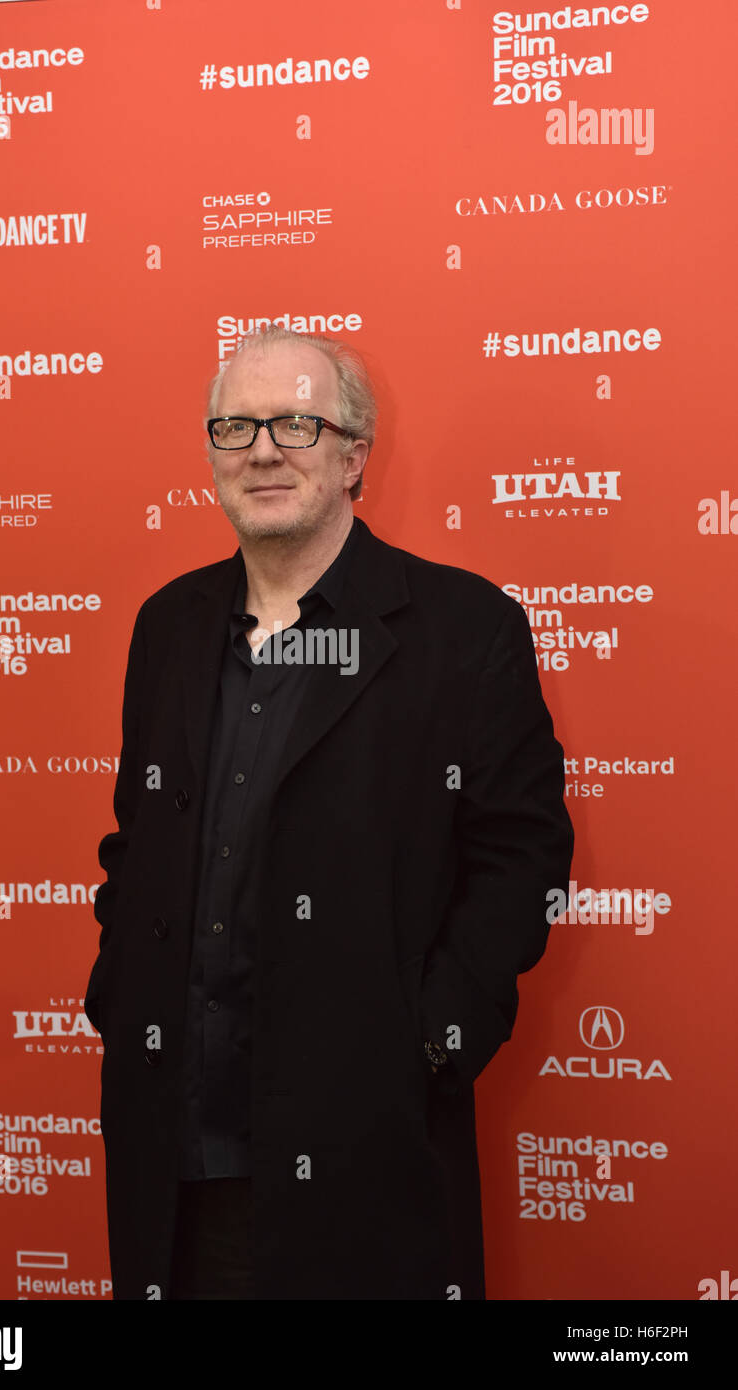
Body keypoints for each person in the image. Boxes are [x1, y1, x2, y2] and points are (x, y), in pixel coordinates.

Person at [84, 324, 574, 1300]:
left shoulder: (463, 629)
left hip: (368, 1153)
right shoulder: (169, 626)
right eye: (235, 426)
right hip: (174, 1145)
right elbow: (139, 839)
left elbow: (521, 860)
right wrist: (118, 986)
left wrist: (432, 1041)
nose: (262, 450)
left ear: (355, 454)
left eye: (296, 424)